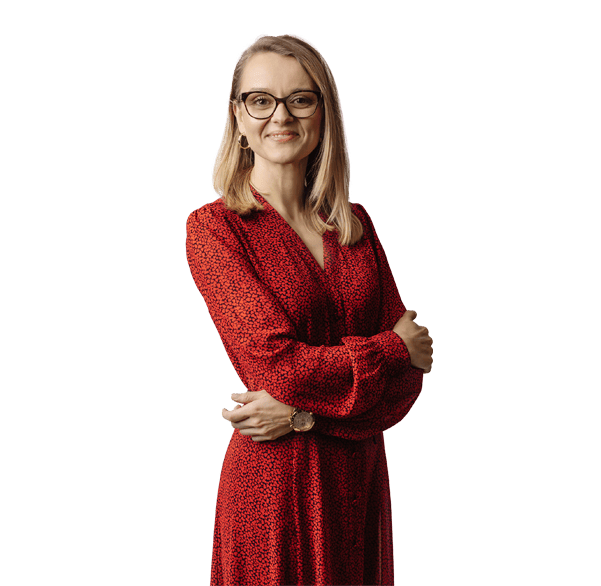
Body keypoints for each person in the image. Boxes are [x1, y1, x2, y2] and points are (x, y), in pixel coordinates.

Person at [185, 32, 433, 586]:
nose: (281, 116)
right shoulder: (215, 229)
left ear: (324, 114)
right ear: (238, 117)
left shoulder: (355, 225)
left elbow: (407, 385)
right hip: (275, 486)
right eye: (260, 100)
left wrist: (303, 415)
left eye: (300, 99)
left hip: (360, 482)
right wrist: (390, 349)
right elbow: (277, 366)